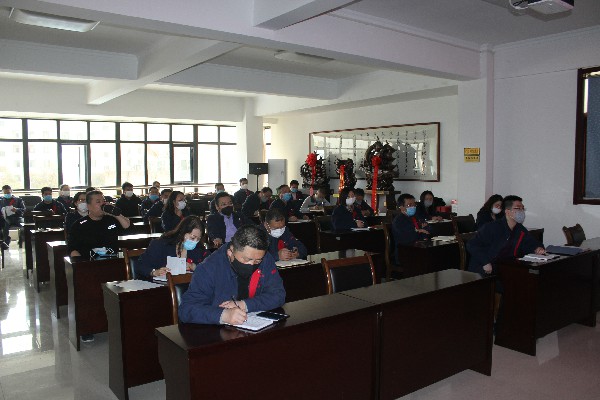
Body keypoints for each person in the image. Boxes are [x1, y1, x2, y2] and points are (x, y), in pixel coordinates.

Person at [178, 224, 286, 325]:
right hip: (217, 332)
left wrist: (244, 304)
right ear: (230, 252)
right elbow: (186, 309)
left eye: (257, 261)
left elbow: (278, 295)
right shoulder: (208, 268)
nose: (252, 265)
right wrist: (223, 315)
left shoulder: (264, 258)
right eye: (246, 259)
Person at [467, 195, 545, 276]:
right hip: (485, 269)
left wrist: (537, 248)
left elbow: (530, 242)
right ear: (507, 212)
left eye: (523, 208)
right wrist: (485, 262)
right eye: (518, 208)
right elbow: (472, 245)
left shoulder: (520, 229)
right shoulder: (492, 227)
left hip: (505, 268)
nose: (522, 211)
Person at [136, 216, 210, 280]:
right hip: (163, 287)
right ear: (182, 232)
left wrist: (194, 266)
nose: (195, 241)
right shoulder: (160, 245)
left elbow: (210, 264)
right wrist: (154, 272)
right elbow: (140, 265)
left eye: (198, 239)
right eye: (192, 238)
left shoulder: (198, 248)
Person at [67, 190, 131, 259]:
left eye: (104, 201)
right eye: (98, 202)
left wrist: (115, 213)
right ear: (88, 206)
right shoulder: (79, 225)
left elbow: (129, 228)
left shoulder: (111, 220)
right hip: (90, 262)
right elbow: (72, 249)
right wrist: (80, 263)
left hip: (113, 261)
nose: (102, 204)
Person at [391, 194, 431, 263]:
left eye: (414, 205)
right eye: (409, 205)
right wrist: (419, 231)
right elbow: (407, 238)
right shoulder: (398, 221)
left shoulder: (415, 217)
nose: (413, 207)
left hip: (418, 249)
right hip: (404, 253)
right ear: (401, 207)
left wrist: (421, 231)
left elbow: (428, 229)